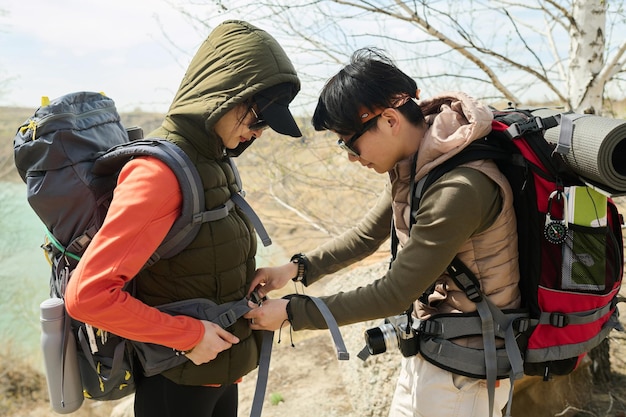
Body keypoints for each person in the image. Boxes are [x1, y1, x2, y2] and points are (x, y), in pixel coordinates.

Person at [244, 48, 520, 417]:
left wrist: (294, 313)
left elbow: (393, 293)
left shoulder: (459, 187)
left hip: (464, 372)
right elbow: (366, 236)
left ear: (389, 120)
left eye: (349, 141)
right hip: (434, 350)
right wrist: (294, 270)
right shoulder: (418, 164)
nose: (350, 157)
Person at [65, 20, 301, 417]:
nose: (260, 133)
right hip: (176, 387)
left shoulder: (213, 160)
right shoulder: (158, 174)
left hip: (219, 375)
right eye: (259, 119)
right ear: (225, 96)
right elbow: (87, 296)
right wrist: (188, 336)